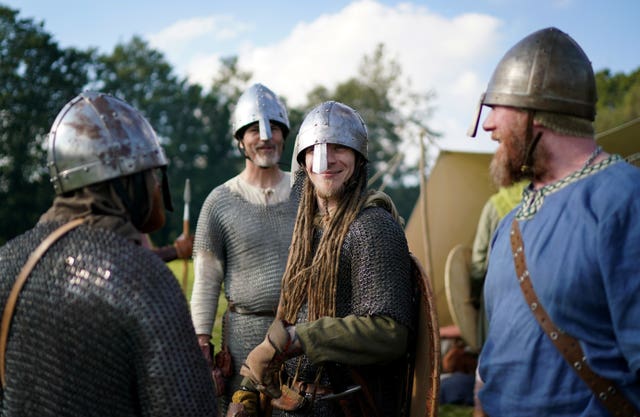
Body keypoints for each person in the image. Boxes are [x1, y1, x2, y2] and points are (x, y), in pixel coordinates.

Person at [0, 91, 218, 416]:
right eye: (151, 175)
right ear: (128, 182)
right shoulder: (141, 277)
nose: (156, 186)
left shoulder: (7, 262)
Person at [467, 27, 640, 416]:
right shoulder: (509, 222)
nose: (489, 125)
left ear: (534, 113)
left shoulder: (625, 201)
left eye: (497, 107)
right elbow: (495, 357)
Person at [230, 101, 416, 417]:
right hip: (291, 403)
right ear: (303, 159)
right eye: (315, 149)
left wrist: (297, 339)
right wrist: (248, 387)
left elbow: (389, 333)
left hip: (344, 406)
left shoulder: (372, 227)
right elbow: (291, 311)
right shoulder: (308, 229)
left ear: (358, 158)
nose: (326, 159)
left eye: (339, 147)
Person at [190, 83, 298, 410]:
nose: (266, 137)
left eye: (274, 128)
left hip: (299, 337)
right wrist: (202, 344)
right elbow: (207, 282)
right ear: (240, 140)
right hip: (243, 340)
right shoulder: (220, 202)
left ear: (284, 136)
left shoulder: (307, 192)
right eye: (254, 130)